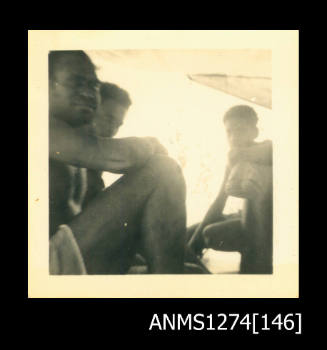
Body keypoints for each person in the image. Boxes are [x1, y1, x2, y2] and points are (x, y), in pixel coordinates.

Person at [49, 50, 186, 274]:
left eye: (93, 85)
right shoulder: (38, 124)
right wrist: (151, 143)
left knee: (189, 271)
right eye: (76, 82)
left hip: (64, 258)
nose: (87, 93)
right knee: (164, 170)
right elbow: (121, 156)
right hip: (43, 268)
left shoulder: (73, 141)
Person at [187, 105, 272, 273]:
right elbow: (219, 201)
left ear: (255, 132)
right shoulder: (234, 159)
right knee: (189, 233)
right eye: (229, 132)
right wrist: (192, 245)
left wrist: (239, 156)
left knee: (209, 233)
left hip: (268, 228)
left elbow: (272, 149)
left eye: (240, 130)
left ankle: (254, 266)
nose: (233, 137)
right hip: (243, 219)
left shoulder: (269, 150)